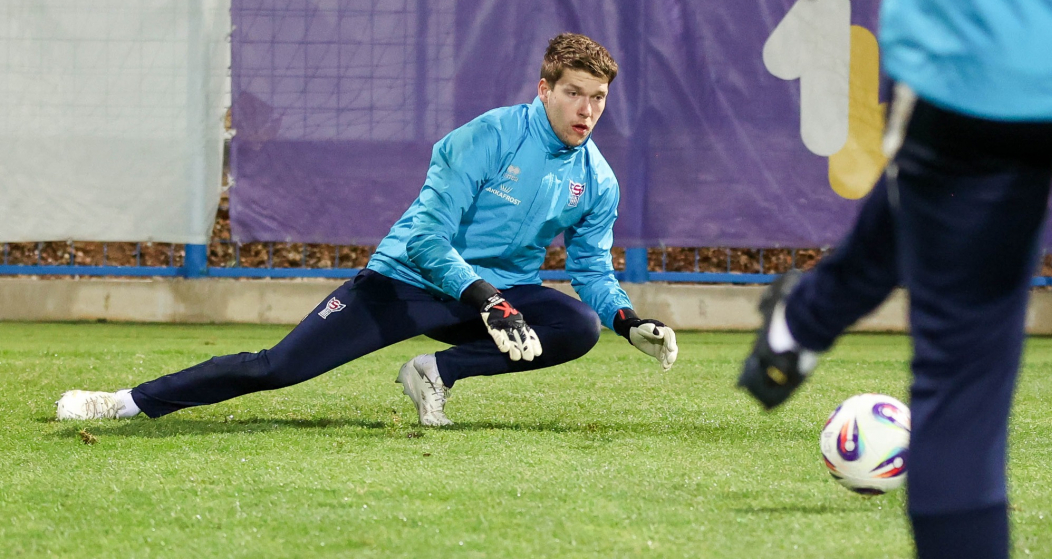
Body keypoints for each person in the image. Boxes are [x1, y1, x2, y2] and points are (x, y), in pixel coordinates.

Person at [56, 33, 678, 427]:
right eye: (574, 93)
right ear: (544, 90)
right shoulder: (487, 137)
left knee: (578, 325)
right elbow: (427, 240)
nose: (587, 110)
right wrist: (489, 299)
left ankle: (437, 372)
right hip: (405, 283)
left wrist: (627, 320)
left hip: (494, 300)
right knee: (277, 367)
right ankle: (123, 401)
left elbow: (590, 269)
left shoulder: (597, 179)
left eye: (598, 98)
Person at [738, 0, 1052, 558]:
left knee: (962, 371)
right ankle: (806, 317)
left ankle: (805, 318)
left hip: (976, 51)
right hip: (988, 49)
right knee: (930, 199)